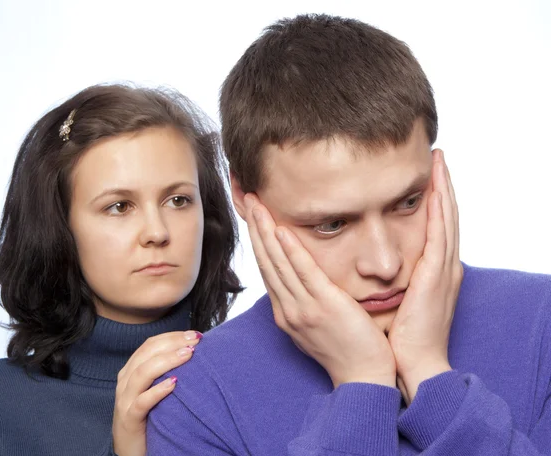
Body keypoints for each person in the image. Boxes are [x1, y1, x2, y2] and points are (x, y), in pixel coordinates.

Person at [146, 14, 551, 455]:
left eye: (408, 202)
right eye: (331, 224)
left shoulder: (543, 323)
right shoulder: (196, 401)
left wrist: (432, 378)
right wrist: (362, 386)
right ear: (245, 196)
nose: (385, 264)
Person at [0, 83, 242, 456]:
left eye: (178, 200)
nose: (157, 232)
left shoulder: (257, 376)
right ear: (59, 228)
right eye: (119, 206)